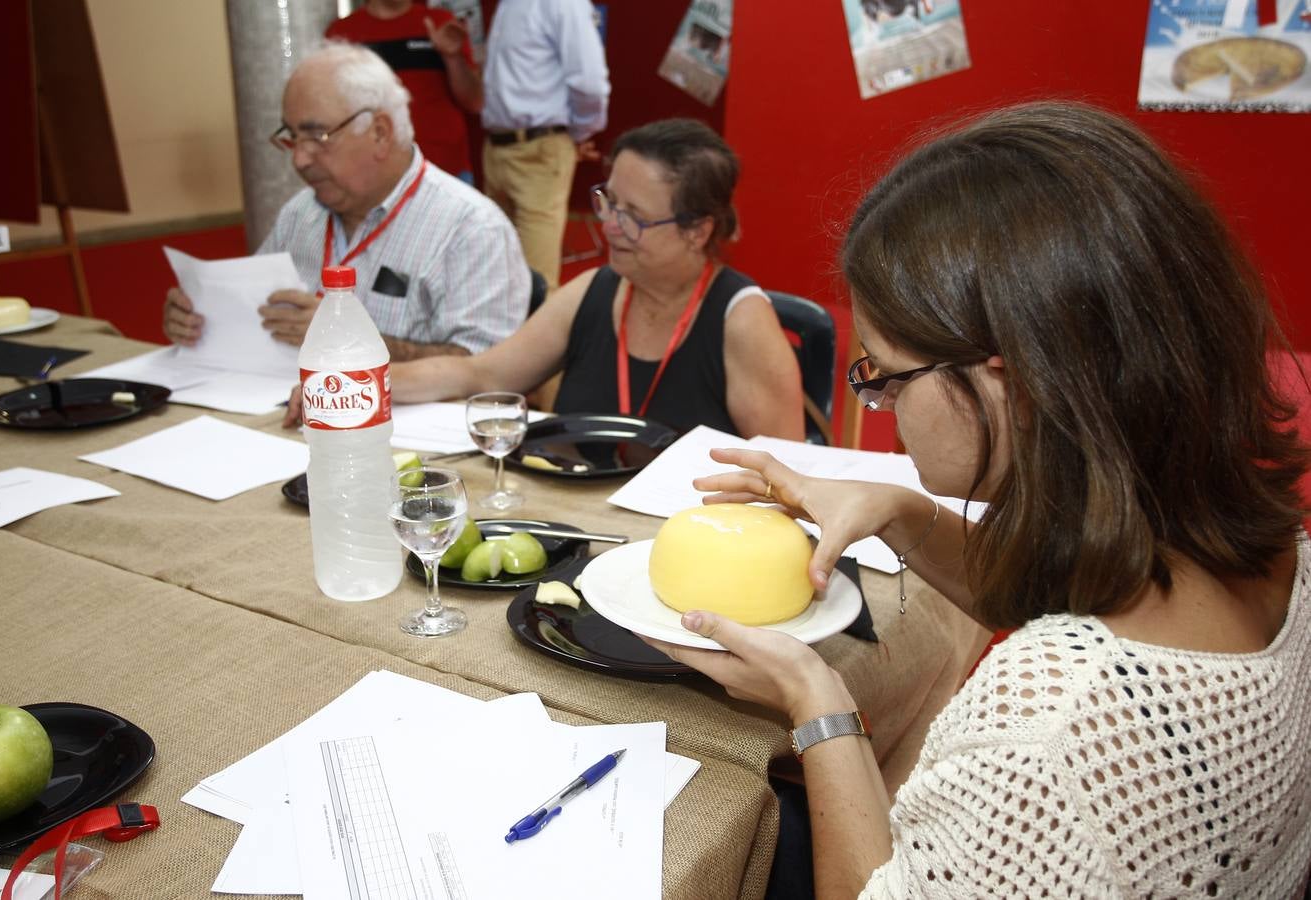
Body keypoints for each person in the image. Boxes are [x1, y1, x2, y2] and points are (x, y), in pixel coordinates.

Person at [647, 102, 1311, 898]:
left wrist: (816, 700)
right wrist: (901, 511)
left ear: (1013, 379)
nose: (883, 409)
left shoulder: (1049, 725)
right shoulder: (1275, 549)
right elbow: (1043, 595)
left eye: (888, 376)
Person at [285, 118, 804, 440]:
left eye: (634, 216)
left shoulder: (741, 321)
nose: (609, 226)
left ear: (698, 230)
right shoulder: (595, 293)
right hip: (585, 526)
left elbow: (787, 476)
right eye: (609, 202)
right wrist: (357, 389)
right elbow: (482, 376)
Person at [163, 41, 529, 361]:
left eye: (317, 136)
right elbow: (256, 315)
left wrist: (350, 340)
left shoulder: (470, 228)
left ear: (380, 133)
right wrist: (202, 320)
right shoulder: (300, 214)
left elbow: (490, 371)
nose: (299, 159)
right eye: (292, 137)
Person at [480, 0, 610, 289]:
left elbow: (590, 83)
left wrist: (575, 133)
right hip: (497, 148)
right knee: (493, 280)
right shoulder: (508, 6)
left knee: (534, 287)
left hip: (538, 149)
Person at [325, 0, 483, 182]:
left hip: (445, 171)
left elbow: (474, 102)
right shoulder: (342, 33)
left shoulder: (441, 22)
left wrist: (453, 57)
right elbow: (332, 108)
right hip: (373, 176)